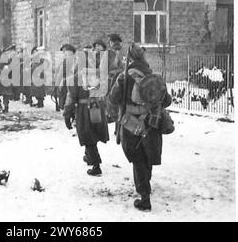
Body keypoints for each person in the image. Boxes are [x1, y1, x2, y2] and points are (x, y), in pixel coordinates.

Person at [107, 43, 172, 211]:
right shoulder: (153, 76)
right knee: (147, 155)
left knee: (138, 159)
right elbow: (167, 101)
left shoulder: (123, 77)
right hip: (151, 122)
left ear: (129, 59)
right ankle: (146, 186)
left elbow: (113, 98)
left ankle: (144, 197)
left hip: (131, 123)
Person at [63, 39, 109, 176]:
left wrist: (67, 115)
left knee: (87, 136)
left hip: (84, 109)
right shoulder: (99, 75)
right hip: (97, 107)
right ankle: (89, 156)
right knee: (93, 133)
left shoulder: (75, 78)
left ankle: (96, 165)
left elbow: (71, 98)